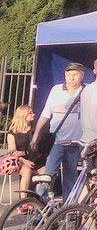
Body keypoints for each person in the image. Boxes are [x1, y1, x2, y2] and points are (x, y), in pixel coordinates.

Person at [31, 62, 84, 200]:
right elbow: (45, 115)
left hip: (75, 143)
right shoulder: (56, 90)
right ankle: (40, 209)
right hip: (57, 142)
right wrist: (35, 135)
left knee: (70, 178)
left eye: (75, 75)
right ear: (65, 76)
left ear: (82, 76)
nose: (71, 78)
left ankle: (68, 210)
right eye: (69, 75)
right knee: (48, 176)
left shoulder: (87, 91)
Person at [6, 104, 45, 196]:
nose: (34, 114)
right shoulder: (12, 133)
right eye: (30, 113)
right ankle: (24, 202)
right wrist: (23, 159)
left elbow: (37, 149)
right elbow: (13, 152)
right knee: (27, 169)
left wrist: (24, 153)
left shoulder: (34, 131)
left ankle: (38, 199)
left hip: (33, 159)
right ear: (23, 115)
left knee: (45, 172)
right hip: (19, 161)